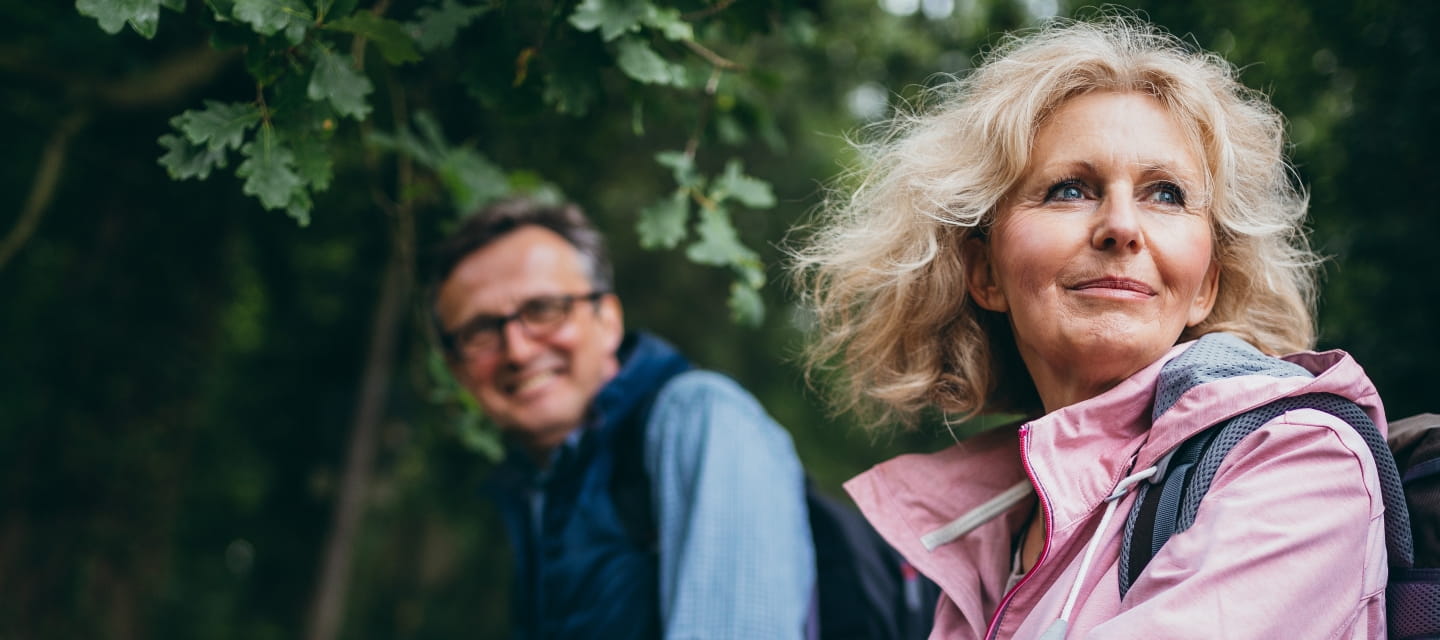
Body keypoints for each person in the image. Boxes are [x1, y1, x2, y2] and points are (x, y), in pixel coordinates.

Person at [792, 16, 1388, 639]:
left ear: (1205, 285)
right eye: (1070, 190)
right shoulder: (991, 535)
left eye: (1166, 195)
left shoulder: (1297, 460)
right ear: (986, 274)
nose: (1121, 226)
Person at [431, 198, 815, 639]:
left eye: (543, 309)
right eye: (479, 331)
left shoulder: (699, 421)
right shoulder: (527, 494)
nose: (517, 350)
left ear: (608, 320)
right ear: (457, 368)